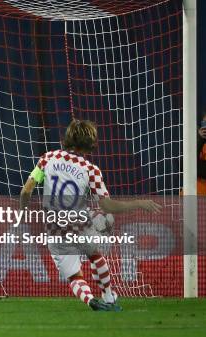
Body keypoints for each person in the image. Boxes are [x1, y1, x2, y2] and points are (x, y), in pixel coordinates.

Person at [19, 119, 161, 311]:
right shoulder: (90, 170)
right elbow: (108, 205)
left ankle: (90, 300)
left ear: (67, 138)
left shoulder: (47, 158)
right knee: (95, 255)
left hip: (54, 227)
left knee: (74, 277)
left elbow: (26, 191)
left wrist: (23, 212)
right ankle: (109, 297)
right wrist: (137, 203)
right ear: (91, 143)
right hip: (79, 224)